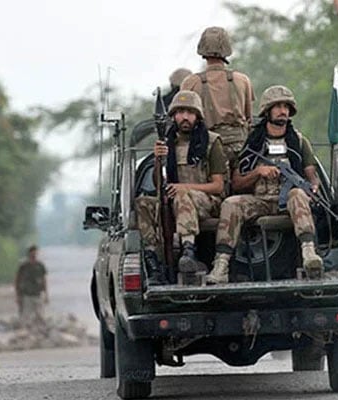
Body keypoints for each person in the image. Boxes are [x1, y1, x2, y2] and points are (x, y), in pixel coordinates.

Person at [206, 85, 324, 284]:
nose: (282, 111)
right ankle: (221, 266)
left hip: (289, 202)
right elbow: (237, 182)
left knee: (298, 194)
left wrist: (312, 188)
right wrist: (257, 172)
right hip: (260, 201)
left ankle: (309, 254)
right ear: (267, 111)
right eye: (277, 106)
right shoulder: (253, 143)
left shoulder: (299, 142)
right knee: (231, 204)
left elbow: (311, 175)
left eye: (286, 106)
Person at [135, 90, 227, 285]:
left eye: (190, 112)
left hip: (207, 202)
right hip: (175, 200)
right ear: (173, 116)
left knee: (182, 195)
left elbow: (218, 186)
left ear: (197, 116)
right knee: (143, 203)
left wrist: (183, 187)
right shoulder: (167, 143)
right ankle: (153, 260)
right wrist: (159, 160)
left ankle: (188, 250)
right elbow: (160, 184)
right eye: (180, 112)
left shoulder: (211, 142)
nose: (185, 117)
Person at [180, 26, 254, 167]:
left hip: (205, 148)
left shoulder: (191, 82)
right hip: (240, 148)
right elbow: (248, 117)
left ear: (202, 49)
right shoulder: (242, 80)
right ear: (227, 49)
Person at [14, 245, 48, 333]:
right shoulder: (23, 266)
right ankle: (24, 332)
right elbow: (17, 280)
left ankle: (39, 332)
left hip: (37, 294)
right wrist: (18, 295)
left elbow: (44, 280)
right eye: (33, 252)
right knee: (25, 316)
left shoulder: (40, 266)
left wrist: (46, 294)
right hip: (26, 294)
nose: (34, 254)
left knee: (40, 315)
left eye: (36, 252)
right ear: (29, 254)